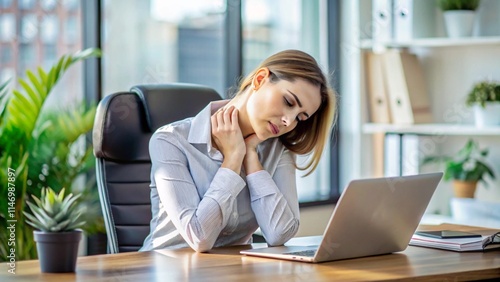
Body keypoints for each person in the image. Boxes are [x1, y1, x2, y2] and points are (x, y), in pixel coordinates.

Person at [140, 49, 337, 252]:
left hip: (232, 272)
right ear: (260, 79)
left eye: (300, 117)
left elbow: (279, 233)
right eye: (288, 102)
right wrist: (233, 158)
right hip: (166, 270)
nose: (289, 121)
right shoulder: (171, 140)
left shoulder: (279, 150)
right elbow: (199, 237)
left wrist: (250, 156)